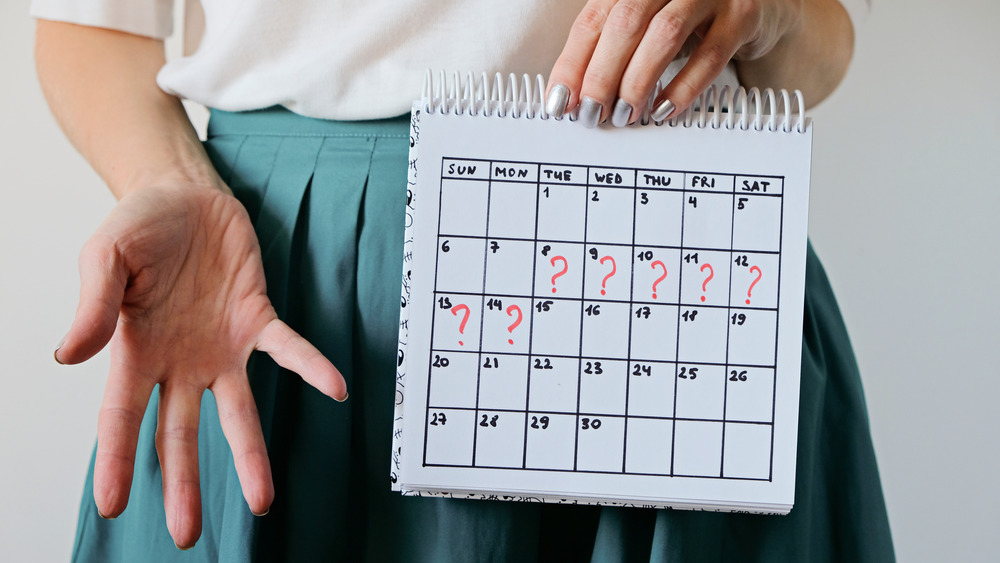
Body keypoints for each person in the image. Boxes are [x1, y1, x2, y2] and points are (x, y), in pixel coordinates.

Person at [32, 0, 894, 560]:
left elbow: (821, 45)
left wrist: (766, 10)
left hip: (676, 273)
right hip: (288, 279)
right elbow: (87, 23)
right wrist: (169, 180)